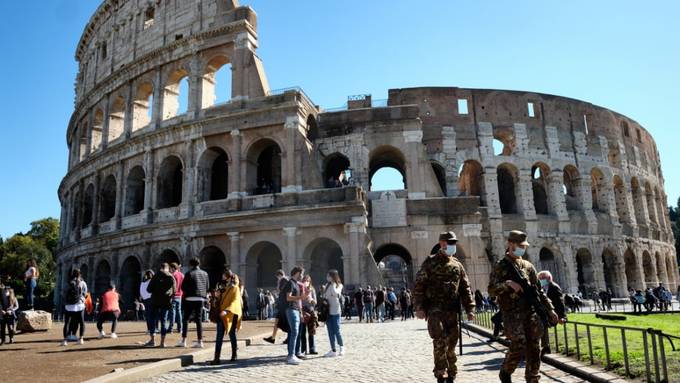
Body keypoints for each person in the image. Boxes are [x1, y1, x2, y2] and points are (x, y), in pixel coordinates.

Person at [488, 230, 558, 383]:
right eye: (520, 245)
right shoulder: (501, 266)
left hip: (531, 312)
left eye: (524, 246)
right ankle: (506, 370)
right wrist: (507, 284)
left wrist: (550, 310)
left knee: (534, 347)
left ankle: (533, 378)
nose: (522, 248)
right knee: (519, 342)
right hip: (512, 313)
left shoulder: (528, 266)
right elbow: (491, 289)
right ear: (510, 244)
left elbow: (539, 291)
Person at [414, 231, 475, 383]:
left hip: (452, 310)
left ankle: (451, 371)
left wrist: (470, 309)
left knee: (452, 343)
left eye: (454, 243)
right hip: (435, 309)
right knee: (440, 339)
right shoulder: (430, 262)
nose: (453, 246)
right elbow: (419, 285)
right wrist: (419, 307)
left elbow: (465, 289)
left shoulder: (457, 265)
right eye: (451, 243)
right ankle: (441, 373)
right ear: (442, 244)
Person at [211, 268, 242, 365]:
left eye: (224, 275)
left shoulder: (235, 288)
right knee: (219, 336)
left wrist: (227, 310)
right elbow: (219, 301)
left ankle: (234, 353)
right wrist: (216, 296)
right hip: (222, 314)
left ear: (227, 276)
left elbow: (235, 301)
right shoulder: (223, 287)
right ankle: (217, 357)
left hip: (231, 314)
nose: (222, 277)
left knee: (232, 334)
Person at [178, 257, 209, 348]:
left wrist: (189, 291)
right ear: (199, 264)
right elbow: (207, 286)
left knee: (186, 319)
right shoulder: (205, 273)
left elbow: (183, 287)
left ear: (191, 264)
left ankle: (184, 340)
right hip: (200, 298)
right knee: (199, 320)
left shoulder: (189, 273)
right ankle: (200, 341)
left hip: (190, 298)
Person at [145, 263, 176, 348]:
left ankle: (152, 340)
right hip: (166, 302)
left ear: (161, 267)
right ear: (168, 268)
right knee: (164, 321)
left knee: (153, 320)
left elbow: (148, 290)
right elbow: (174, 290)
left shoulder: (155, 276)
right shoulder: (171, 277)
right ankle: (162, 342)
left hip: (155, 301)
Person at [282, 266, 308, 365]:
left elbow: (298, 299)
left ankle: (292, 355)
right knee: (294, 332)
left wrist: (300, 311)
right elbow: (288, 298)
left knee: (295, 332)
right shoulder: (290, 283)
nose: (302, 275)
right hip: (291, 309)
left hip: (296, 309)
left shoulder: (296, 284)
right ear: (297, 273)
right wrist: (300, 297)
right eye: (301, 273)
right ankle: (291, 356)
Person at [537, 271, 567, 356]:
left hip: (553, 315)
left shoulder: (554, 287)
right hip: (543, 314)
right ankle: (543, 347)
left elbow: (560, 303)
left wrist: (562, 317)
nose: (541, 280)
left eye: (543, 278)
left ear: (549, 278)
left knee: (542, 323)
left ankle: (545, 347)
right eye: (540, 278)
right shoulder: (540, 287)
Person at [61, 268, 88, 346]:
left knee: (67, 323)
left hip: (69, 306)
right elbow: (85, 294)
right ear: (80, 274)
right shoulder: (82, 283)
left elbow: (63, 293)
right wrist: (82, 300)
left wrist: (67, 302)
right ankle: (81, 339)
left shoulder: (68, 282)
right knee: (82, 322)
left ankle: (65, 340)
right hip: (79, 305)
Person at [323, 269, 345, 357]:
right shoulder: (327, 285)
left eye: (328, 276)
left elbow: (336, 294)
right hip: (328, 311)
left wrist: (332, 285)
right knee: (330, 331)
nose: (327, 277)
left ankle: (342, 347)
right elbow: (325, 296)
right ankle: (333, 349)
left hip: (335, 310)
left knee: (337, 330)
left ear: (332, 276)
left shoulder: (339, 285)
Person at [264, 270, 288, 344]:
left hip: (283, 306)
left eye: (277, 276)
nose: (277, 278)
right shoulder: (284, 280)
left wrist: (277, 291)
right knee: (278, 322)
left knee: (284, 323)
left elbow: (282, 291)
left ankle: (275, 338)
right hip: (282, 305)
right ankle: (273, 338)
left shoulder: (283, 280)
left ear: (279, 275)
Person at [296, 274, 318, 357]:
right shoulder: (300, 289)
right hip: (303, 311)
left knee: (311, 331)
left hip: (311, 311)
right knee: (302, 332)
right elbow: (298, 300)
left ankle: (312, 348)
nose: (306, 282)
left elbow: (315, 302)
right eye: (305, 280)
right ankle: (303, 349)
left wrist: (311, 300)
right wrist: (304, 297)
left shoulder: (312, 289)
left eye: (308, 281)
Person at [168, 263, 184, 335]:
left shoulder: (173, 275)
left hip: (174, 295)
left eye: (170, 268)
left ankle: (171, 328)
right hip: (180, 295)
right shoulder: (182, 275)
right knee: (179, 312)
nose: (170, 270)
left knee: (172, 312)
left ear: (173, 268)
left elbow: (171, 286)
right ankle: (180, 328)